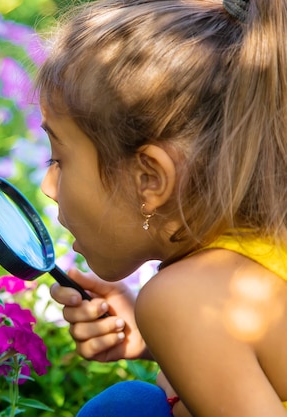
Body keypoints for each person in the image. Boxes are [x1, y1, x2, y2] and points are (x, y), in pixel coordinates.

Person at [34, 0, 287, 415]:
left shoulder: (183, 300)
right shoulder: (258, 253)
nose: (48, 186)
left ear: (149, 179)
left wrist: (173, 321)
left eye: (59, 160)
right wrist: (153, 339)